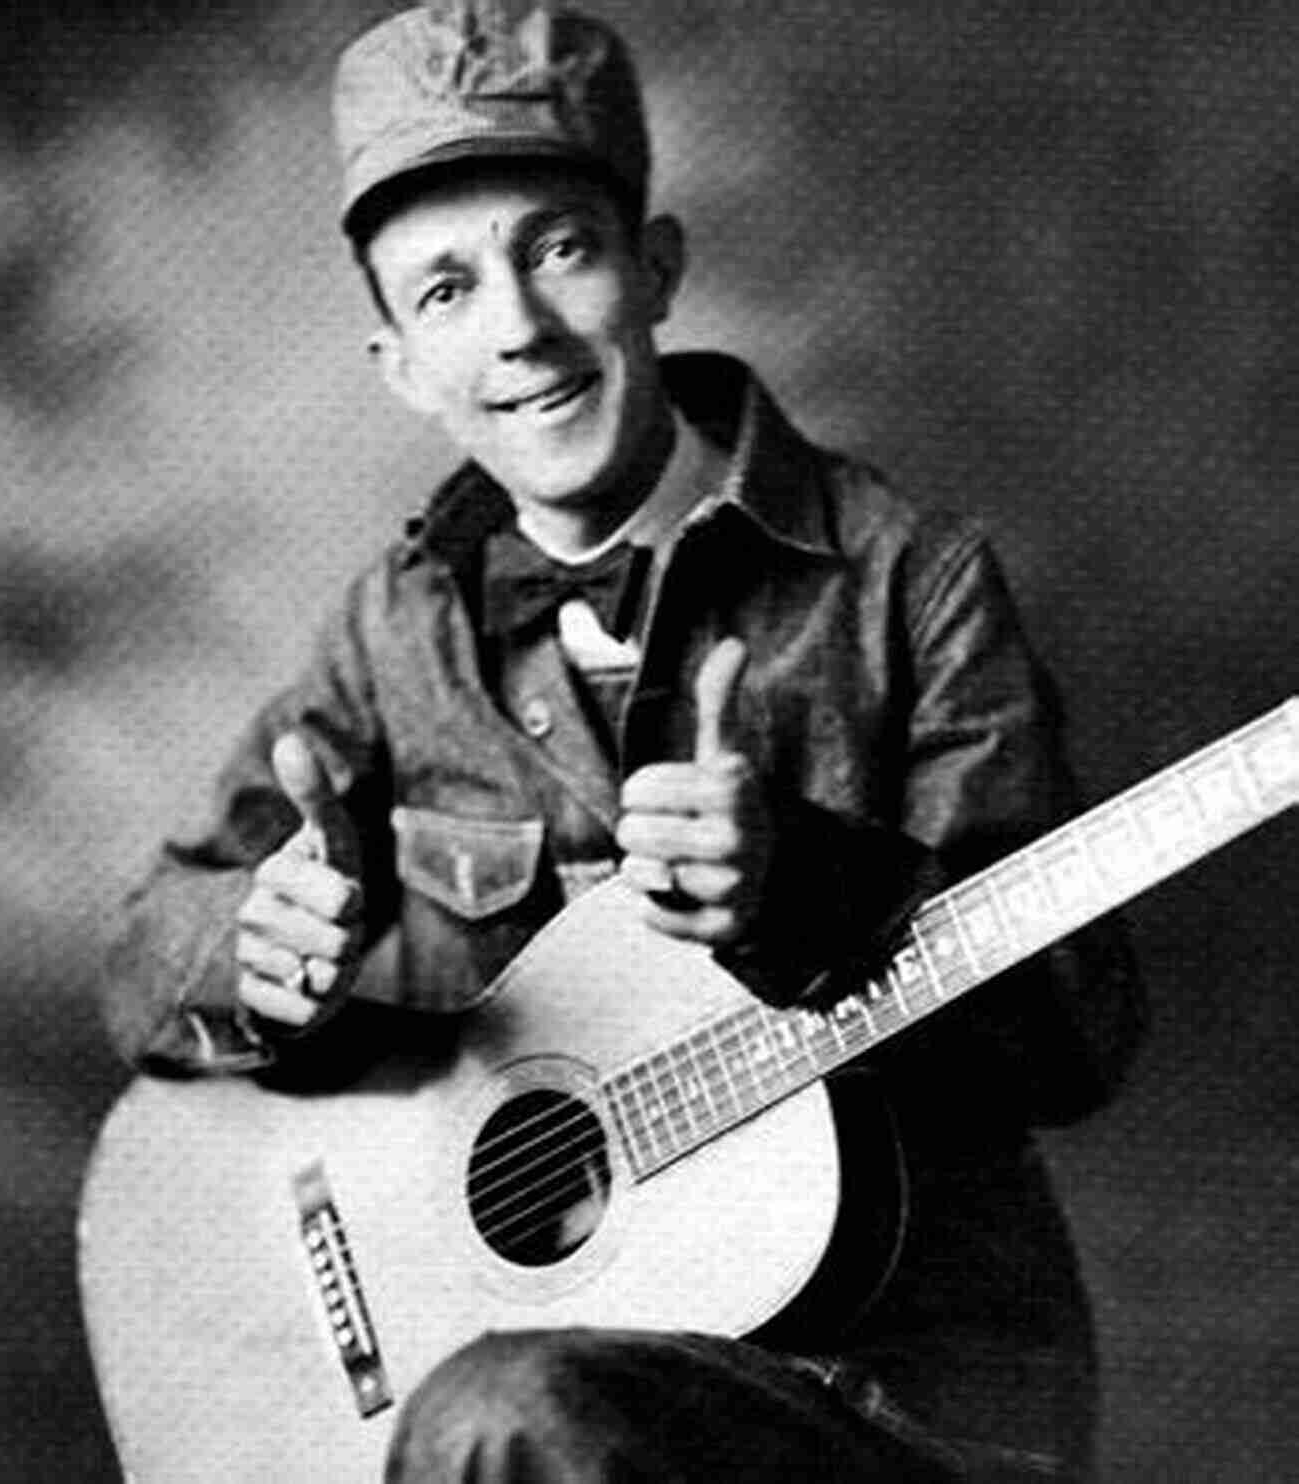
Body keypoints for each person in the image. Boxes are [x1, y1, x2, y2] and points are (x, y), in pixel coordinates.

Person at [102, 3, 1145, 1480]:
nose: (517, 327)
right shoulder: (399, 631)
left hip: (885, 1395)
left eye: (559, 250)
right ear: (399, 360)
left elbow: (1077, 1032)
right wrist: (250, 953)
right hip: (535, 1373)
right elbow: (144, 950)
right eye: (448, 289)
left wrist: (812, 891)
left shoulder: (909, 579)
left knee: (501, 1416)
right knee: (493, 1411)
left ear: (655, 268)